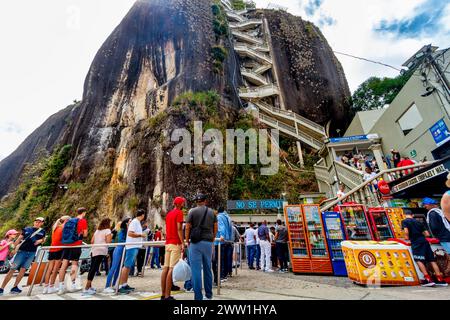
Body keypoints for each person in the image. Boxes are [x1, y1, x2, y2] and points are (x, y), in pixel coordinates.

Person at [0, 217, 46, 295]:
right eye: (37, 221)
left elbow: (43, 239)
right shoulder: (27, 229)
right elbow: (18, 239)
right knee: (12, 269)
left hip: (32, 253)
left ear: (42, 223)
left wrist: (41, 240)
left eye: (40, 222)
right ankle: (1, 288)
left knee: (23, 270)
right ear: (34, 222)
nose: (38, 223)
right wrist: (12, 250)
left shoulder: (42, 231)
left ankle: (15, 287)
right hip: (21, 252)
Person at [185, 193, 218, 301]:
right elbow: (215, 227)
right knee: (208, 268)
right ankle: (209, 295)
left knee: (196, 270)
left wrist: (187, 241)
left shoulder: (192, 211)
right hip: (208, 243)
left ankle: (198, 297)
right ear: (205, 201)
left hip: (195, 243)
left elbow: (188, 227)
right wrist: (212, 239)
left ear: (196, 201)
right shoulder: (212, 212)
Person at [402, 212, 448, 287]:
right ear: (412, 215)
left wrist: (406, 238)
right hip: (424, 241)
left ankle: (427, 279)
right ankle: (440, 279)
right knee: (432, 260)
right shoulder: (418, 222)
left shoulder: (405, 221)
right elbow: (427, 234)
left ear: (405, 215)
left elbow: (406, 231)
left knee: (418, 259)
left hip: (416, 242)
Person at [58, 208, 89, 294]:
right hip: (76, 244)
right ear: (84, 213)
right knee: (75, 264)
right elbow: (85, 234)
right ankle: (72, 284)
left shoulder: (70, 220)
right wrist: (82, 233)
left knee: (64, 264)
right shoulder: (82, 220)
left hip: (66, 244)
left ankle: (61, 287)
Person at [161, 196, 186, 300]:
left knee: (165, 268)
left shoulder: (169, 214)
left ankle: (163, 294)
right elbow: (179, 229)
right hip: (175, 243)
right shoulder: (179, 213)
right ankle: (167, 296)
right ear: (180, 204)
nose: (184, 204)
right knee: (171, 269)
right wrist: (182, 242)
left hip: (168, 243)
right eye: (183, 203)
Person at [118, 209, 148, 294]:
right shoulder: (134, 222)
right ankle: (120, 286)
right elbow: (130, 233)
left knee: (128, 266)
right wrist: (141, 235)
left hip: (135, 246)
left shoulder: (137, 222)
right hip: (132, 247)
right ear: (142, 215)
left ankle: (125, 284)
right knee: (126, 266)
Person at [83, 218, 112, 295]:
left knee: (92, 268)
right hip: (101, 251)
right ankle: (86, 288)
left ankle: (89, 287)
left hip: (94, 250)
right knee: (94, 268)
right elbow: (108, 241)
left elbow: (92, 241)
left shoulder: (97, 231)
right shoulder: (108, 231)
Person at [43, 216, 71, 294]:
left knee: (49, 269)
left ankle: (46, 287)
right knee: (55, 269)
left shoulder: (55, 228)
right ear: (66, 221)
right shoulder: (64, 228)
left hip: (52, 249)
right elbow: (64, 240)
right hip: (58, 249)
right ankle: (51, 286)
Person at [104, 218, 130, 293]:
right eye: (129, 221)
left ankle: (115, 284)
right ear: (126, 223)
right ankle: (107, 286)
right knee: (114, 267)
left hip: (122, 249)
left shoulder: (126, 230)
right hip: (119, 249)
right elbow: (121, 240)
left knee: (118, 269)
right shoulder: (122, 230)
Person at [213, 207, 233, 285]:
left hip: (219, 241)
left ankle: (220, 276)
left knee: (218, 260)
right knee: (223, 259)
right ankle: (224, 275)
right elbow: (230, 228)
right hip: (226, 241)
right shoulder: (227, 217)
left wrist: (222, 236)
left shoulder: (219, 217)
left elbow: (221, 228)